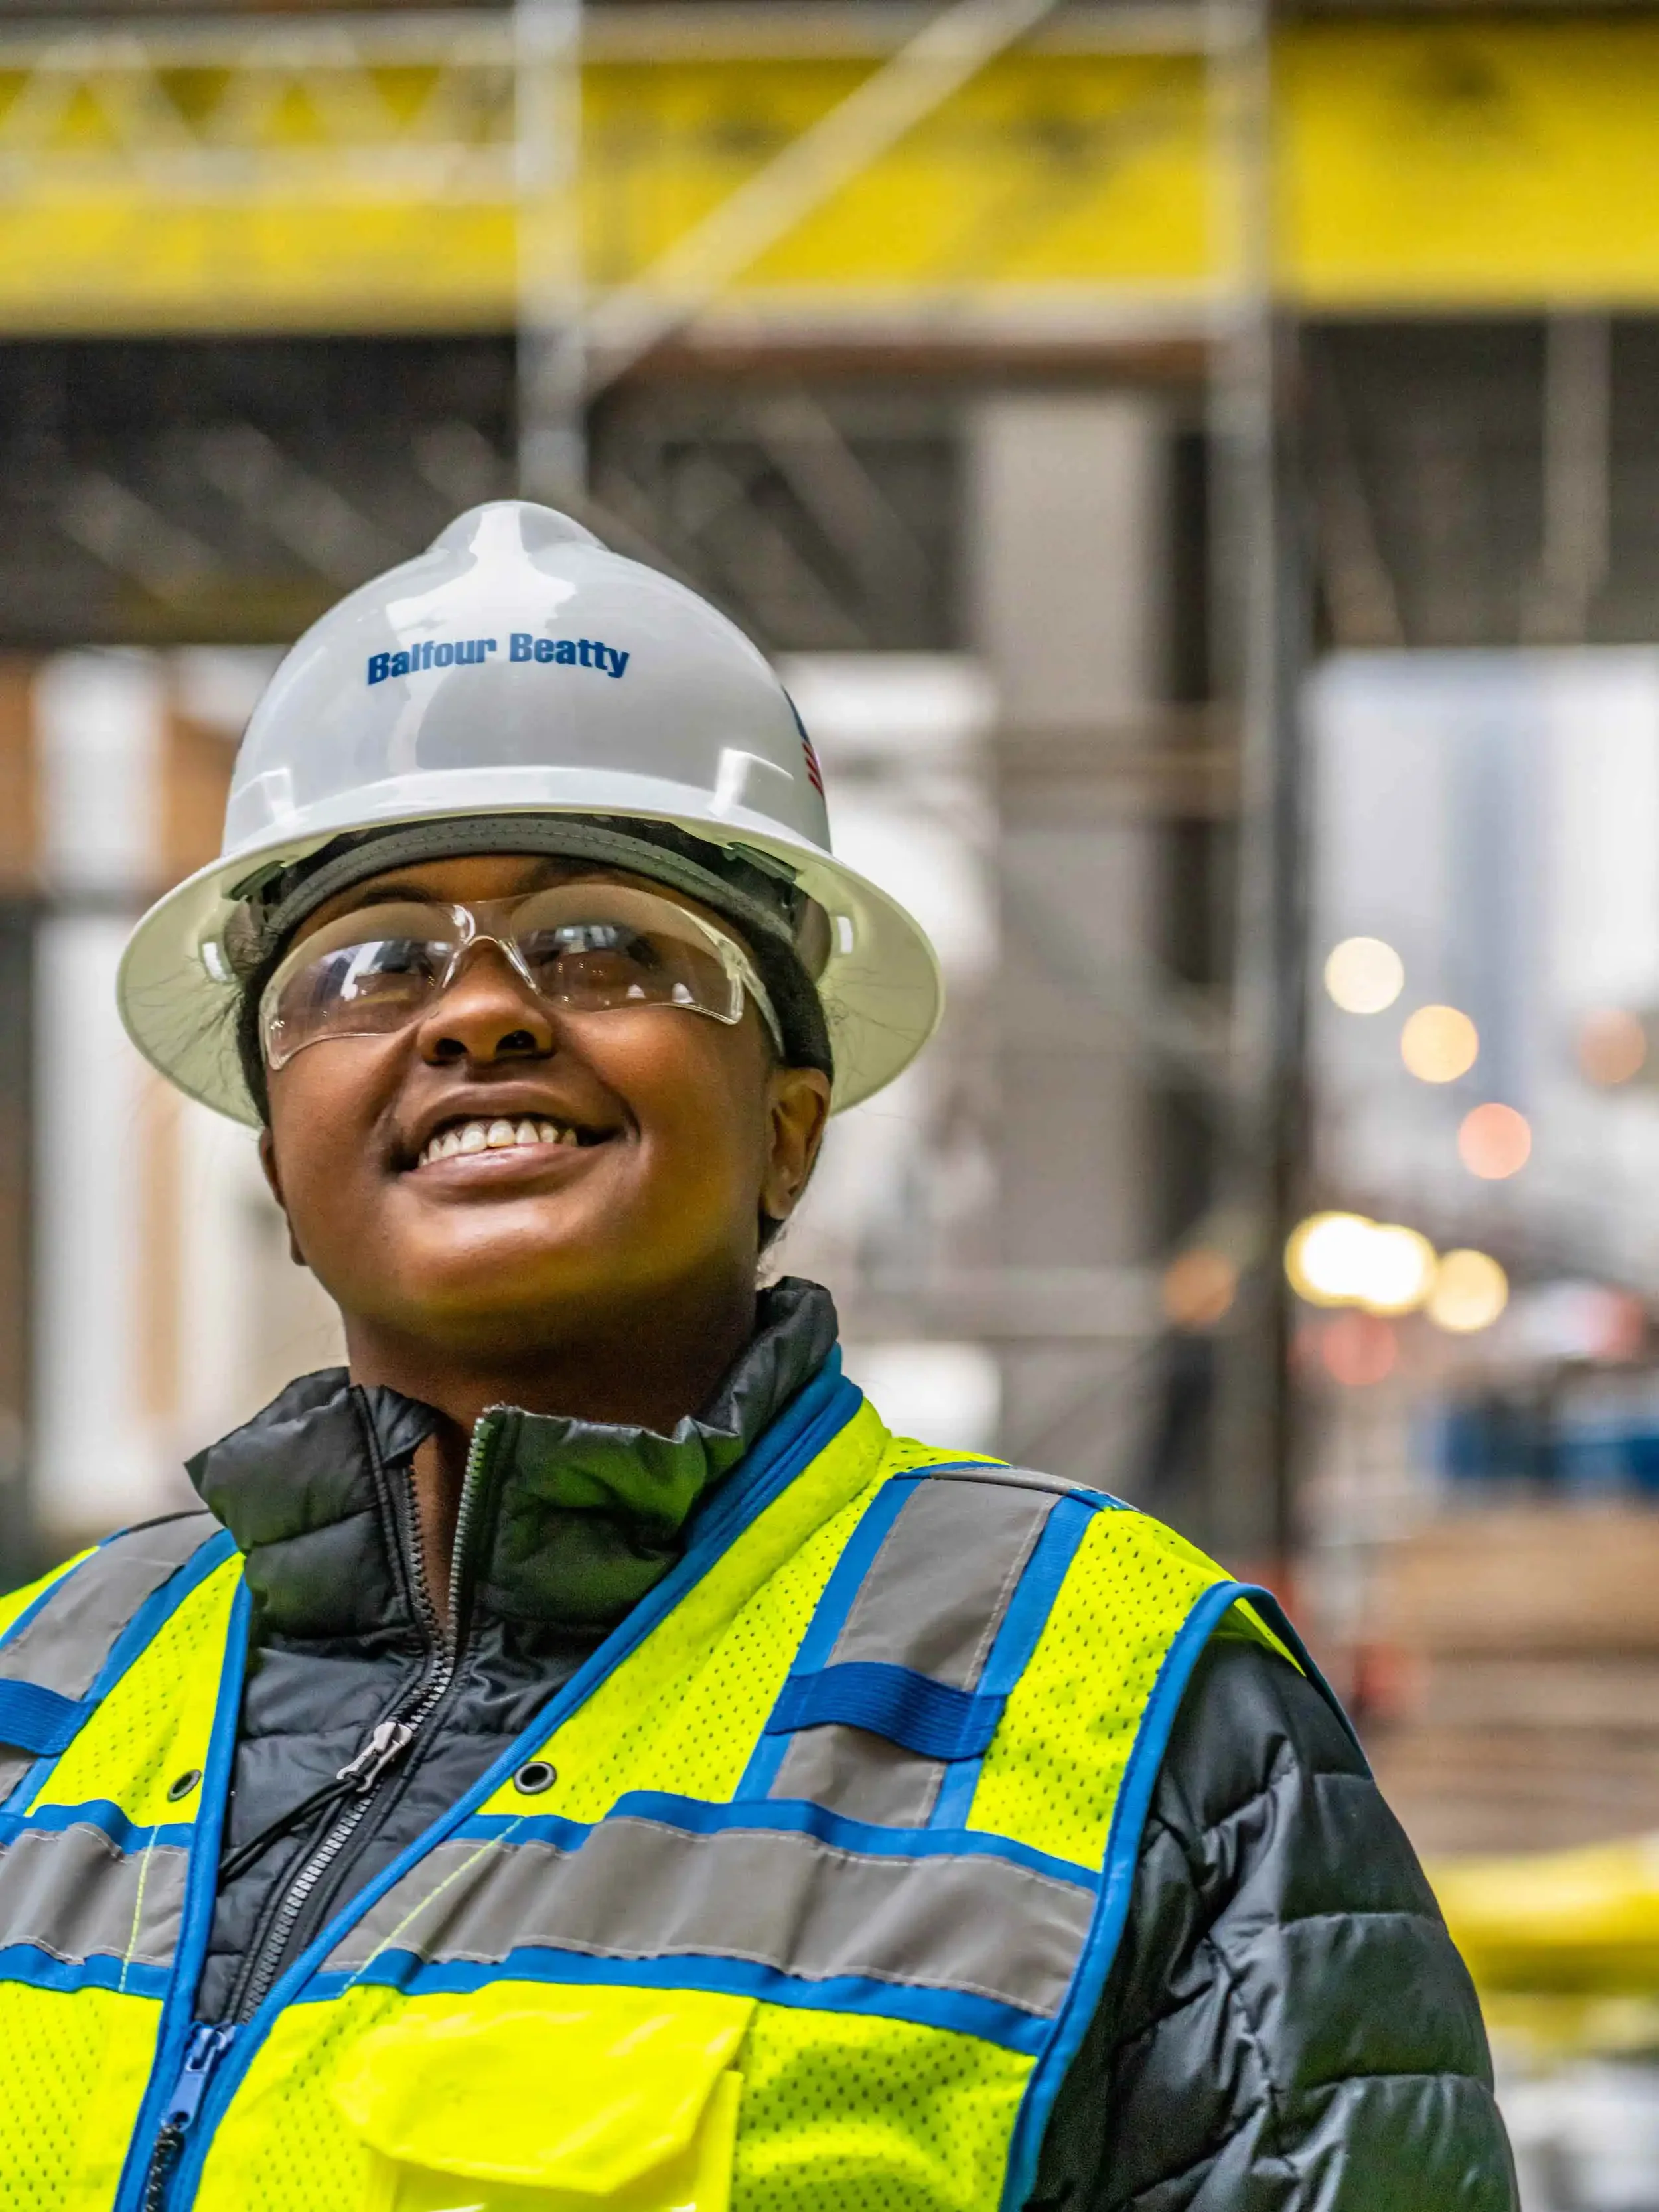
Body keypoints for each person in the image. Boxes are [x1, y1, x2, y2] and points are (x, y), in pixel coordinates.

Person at [0, 503, 1513, 2212]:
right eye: (369, 962)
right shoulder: (41, 1694)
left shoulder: (1131, 1719)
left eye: (603, 942)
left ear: (790, 1133)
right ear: (277, 1152)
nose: (475, 1011)